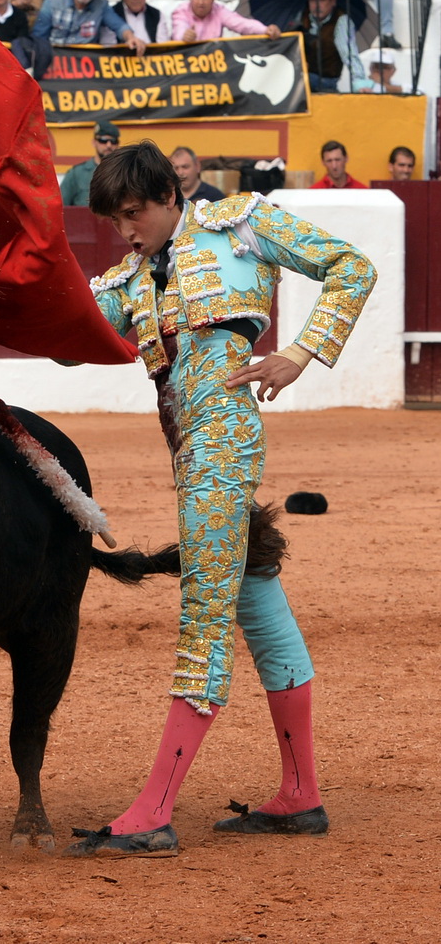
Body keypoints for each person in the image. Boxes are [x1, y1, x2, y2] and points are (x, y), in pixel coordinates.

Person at [65, 139, 376, 858]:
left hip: (224, 445)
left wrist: (300, 351)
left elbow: (350, 267)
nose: (127, 231)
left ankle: (153, 811)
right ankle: (301, 795)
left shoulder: (240, 224)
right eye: (116, 220)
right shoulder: (131, 279)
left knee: (202, 612)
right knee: (255, 601)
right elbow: (69, 326)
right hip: (190, 451)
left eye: (136, 213)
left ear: (172, 197)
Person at [31, 0, 140, 80]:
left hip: (85, 69)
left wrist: (131, 37)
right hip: (54, 66)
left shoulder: (101, 5)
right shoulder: (52, 1)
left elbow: (119, 26)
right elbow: (39, 37)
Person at [291, 0, 371, 93]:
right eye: (313, 0)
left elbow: (349, 53)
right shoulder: (300, 17)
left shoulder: (341, 21)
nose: (317, 5)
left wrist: (359, 82)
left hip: (325, 82)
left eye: (322, 0)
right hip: (300, 78)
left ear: (332, 1)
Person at [171, 0, 280, 41]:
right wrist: (184, 36)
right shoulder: (181, 11)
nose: (201, 2)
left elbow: (242, 24)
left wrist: (265, 30)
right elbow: (179, 30)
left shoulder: (219, 10)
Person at [101, 0, 169, 46]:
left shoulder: (157, 15)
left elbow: (163, 46)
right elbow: (108, 47)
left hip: (152, 56)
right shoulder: (111, 14)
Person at [59, 121, 119, 206]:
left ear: (118, 145)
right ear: (94, 142)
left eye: (113, 141)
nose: (108, 145)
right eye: (103, 140)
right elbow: (61, 207)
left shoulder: (124, 173)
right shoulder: (76, 174)